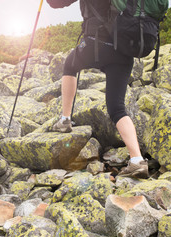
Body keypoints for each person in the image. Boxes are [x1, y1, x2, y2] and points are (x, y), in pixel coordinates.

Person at [47, 0, 148, 178]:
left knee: (70, 66)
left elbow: (56, 3)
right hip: (124, 50)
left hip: (95, 45)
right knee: (117, 108)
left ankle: (65, 120)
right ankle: (137, 160)